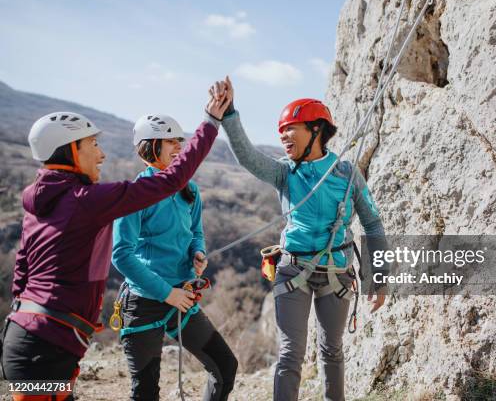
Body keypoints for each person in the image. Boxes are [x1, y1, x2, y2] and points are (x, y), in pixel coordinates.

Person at [1, 93, 231, 401]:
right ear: (72, 150)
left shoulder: (46, 203)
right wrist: (211, 122)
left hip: (33, 336)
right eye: (93, 145)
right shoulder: (85, 200)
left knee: (223, 366)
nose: (102, 155)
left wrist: (196, 251)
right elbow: (166, 185)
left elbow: (22, 268)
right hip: (45, 345)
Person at [211, 77, 387, 401]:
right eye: (281, 130)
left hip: (336, 274)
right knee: (291, 352)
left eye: (290, 128)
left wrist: (380, 278)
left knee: (332, 350)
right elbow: (248, 157)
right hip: (293, 271)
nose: (283, 136)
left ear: (316, 130)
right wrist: (230, 115)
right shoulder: (284, 173)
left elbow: (373, 226)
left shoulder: (347, 175)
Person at [112, 113, 237, 401]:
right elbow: (121, 254)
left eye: (179, 140)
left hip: (182, 296)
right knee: (145, 393)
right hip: (144, 302)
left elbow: (196, 231)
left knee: (225, 366)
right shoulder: (136, 194)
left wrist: (198, 251)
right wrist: (167, 293)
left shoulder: (189, 189)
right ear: (150, 147)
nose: (179, 146)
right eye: (171, 141)